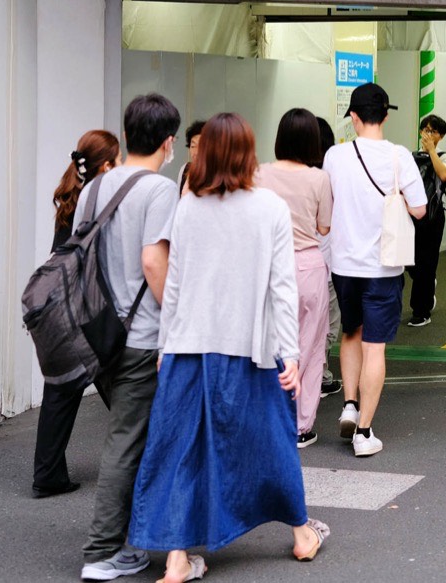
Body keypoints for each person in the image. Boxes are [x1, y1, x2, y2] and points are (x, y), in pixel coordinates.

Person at [129, 113, 330, 583]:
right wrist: (293, 356)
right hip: (252, 348)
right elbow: (281, 289)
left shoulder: (189, 206)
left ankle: (177, 559)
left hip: (189, 347)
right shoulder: (269, 208)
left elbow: (174, 285)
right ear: (246, 154)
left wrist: (165, 345)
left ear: (206, 153)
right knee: (270, 439)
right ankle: (302, 533)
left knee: (179, 448)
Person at [75, 93, 182, 581]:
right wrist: (176, 320)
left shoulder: (94, 188)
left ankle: (134, 538)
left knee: (129, 436)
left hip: (98, 335)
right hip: (140, 336)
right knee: (126, 441)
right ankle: (102, 552)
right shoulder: (159, 190)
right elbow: (153, 261)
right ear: (167, 141)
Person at [321, 83, 427, 457]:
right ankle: (364, 432)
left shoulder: (334, 156)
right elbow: (420, 210)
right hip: (383, 266)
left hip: (344, 265)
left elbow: (327, 203)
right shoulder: (399, 157)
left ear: (352, 117)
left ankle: (349, 403)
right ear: (385, 115)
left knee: (351, 333)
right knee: (375, 346)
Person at [32, 129, 120, 498]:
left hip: (60, 302)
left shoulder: (70, 194)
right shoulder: (102, 197)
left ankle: (48, 474)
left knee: (62, 389)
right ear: (108, 163)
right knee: (125, 387)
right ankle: (151, 465)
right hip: (91, 306)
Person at [256, 108, 334, 448]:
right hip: (308, 267)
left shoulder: (259, 174)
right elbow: (324, 227)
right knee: (310, 346)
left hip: (269, 266)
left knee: (269, 345)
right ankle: (301, 427)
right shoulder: (319, 178)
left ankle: (269, 420)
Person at [407, 114, 446, 326]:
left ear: (441, 136)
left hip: (433, 216)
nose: (428, 134)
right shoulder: (408, 156)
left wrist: (432, 151)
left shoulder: (444, 156)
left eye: (433, 131)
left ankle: (421, 311)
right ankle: (427, 284)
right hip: (410, 216)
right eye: (425, 130)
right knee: (409, 261)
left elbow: (444, 175)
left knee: (426, 263)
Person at [314, 117, 342, 399]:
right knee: (327, 323)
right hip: (324, 262)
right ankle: (318, 375)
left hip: (290, 265)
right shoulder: (328, 178)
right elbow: (328, 225)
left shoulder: (278, 176)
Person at [178, 119, 204, 193]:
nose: (195, 152)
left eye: (201, 146)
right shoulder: (184, 169)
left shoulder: (219, 175)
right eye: (192, 146)